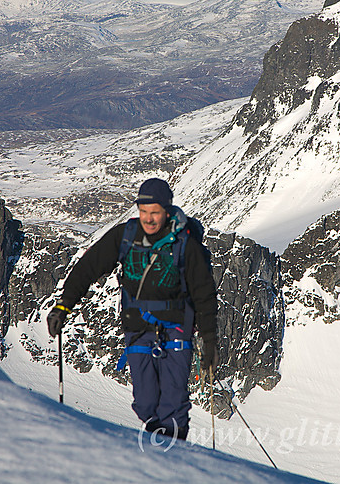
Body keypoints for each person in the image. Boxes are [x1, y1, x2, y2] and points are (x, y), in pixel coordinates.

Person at [47, 177, 218, 440]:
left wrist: (210, 341)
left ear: (167, 210)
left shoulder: (185, 244)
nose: (149, 219)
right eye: (143, 212)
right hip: (137, 328)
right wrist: (63, 306)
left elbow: (204, 294)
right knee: (146, 403)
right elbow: (88, 268)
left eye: (155, 212)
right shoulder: (125, 236)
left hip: (176, 327)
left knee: (173, 405)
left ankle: (172, 460)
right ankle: (156, 450)